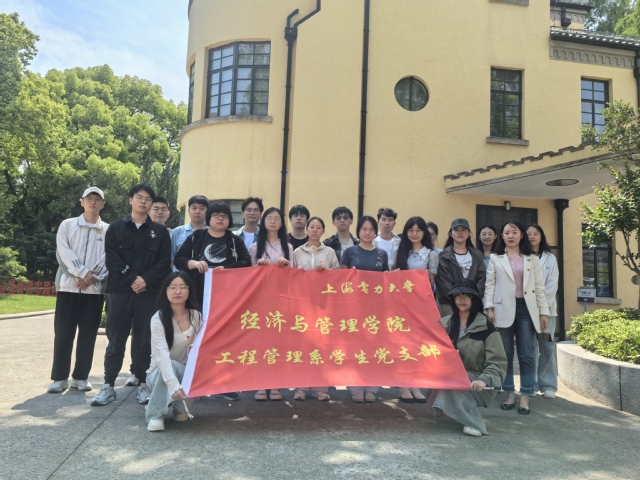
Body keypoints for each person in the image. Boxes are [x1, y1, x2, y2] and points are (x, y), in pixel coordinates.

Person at [91, 184, 171, 407]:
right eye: (139, 197)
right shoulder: (116, 229)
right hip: (120, 292)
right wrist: (133, 278)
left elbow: (164, 262)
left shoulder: (160, 232)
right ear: (131, 200)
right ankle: (108, 386)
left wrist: (145, 280)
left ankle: (143, 384)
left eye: (148, 199)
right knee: (115, 340)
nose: (143, 202)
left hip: (149, 293)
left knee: (144, 340)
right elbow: (112, 259)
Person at [483, 220, 550, 414]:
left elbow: (539, 288)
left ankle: (525, 396)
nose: (510, 236)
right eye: (507, 232)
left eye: (514, 232)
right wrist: (489, 307)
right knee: (505, 355)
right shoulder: (496, 258)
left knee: (527, 355)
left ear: (521, 235)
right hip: (502, 308)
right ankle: (509, 394)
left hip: (526, 309)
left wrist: (543, 312)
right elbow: (490, 284)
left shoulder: (532, 259)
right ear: (502, 236)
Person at [47, 187, 109, 394]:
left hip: (94, 290)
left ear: (103, 204)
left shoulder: (108, 230)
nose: (93, 202)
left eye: (97, 199)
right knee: (63, 334)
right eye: (89, 198)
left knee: (88, 335)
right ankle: (59, 378)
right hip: (68, 287)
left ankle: (80, 377)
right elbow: (63, 252)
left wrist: (92, 276)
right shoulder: (68, 225)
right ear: (82, 202)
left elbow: (109, 256)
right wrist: (82, 273)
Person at [427, 279, 507, 436]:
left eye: (466, 295)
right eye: (457, 295)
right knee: (446, 381)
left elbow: (497, 362)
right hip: (450, 377)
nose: (461, 299)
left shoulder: (486, 327)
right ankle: (459, 409)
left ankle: (474, 423)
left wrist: (484, 379)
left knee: (456, 382)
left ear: (474, 299)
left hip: (478, 381)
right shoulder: (444, 324)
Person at [145, 271, 202, 431]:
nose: (178, 291)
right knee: (171, 364)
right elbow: (162, 356)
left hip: (185, 374)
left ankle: (179, 408)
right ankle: (155, 415)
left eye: (183, 287)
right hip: (158, 375)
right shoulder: (158, 319)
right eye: (173, 287)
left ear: (189, 290)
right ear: (166, 291)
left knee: (181, 417)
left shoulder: (196, 316)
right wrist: (173, 385)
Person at [341, 215, 389, 403]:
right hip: (354, 308)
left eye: (371, 230)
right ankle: (355, 386)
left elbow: (386, 279)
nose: (367, 233)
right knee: (355, 347)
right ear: (358, 231)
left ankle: (372, 387)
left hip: (375, 308)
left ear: (375, 232)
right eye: (364, 229)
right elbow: (340, 280)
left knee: (374, 347)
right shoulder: (349, 252)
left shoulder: (382, 254)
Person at [291, 216, 339, 401]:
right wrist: (299, 274)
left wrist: (326, 273)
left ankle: (320, 388)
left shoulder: (329, 252)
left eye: (319, 227)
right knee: (302, 346)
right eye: (312, 227)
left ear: (323, 231)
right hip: (302, 304)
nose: (315, 230)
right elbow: (290, 277)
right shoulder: (297, 252)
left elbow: (337, 277)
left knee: (321, 346)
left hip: (323, 305)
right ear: (306, 230)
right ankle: (300, 388)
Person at [250, 207, 294, 401]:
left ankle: (276, 384)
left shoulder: (288, 247)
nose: (273, 221)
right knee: (261, 343)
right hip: (261, 301)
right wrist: (258, 267)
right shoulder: (254, 248)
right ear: (263, 221)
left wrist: (286, 266)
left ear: (282, 223)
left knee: (278, 343)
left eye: (277, 218)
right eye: (269, 218)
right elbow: (248, 276)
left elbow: (294, 276)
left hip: (281, 300)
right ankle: (260, 384)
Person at [394, 216, 439, 403]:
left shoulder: (431, 254)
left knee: (417, 346)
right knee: (402, 345)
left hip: (421, 306)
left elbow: (432, 283)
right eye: (410, 230)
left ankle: (415, 385)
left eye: (418, 230)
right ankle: (403, 386)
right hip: (401, 305)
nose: (414, 234)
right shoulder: (400, 251)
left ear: (424, 233)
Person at [174, 201, 251, 307]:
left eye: (224, 216)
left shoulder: (235, 241)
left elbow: (247, 261)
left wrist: (227, 268)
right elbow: (178, 259)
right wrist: (194, 263)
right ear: (208, 217)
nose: (220, 218)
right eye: (216, 215)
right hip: (197, 291)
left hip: (227, 293)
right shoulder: (195, 237)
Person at [527, 224, 559, 399]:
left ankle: (548, 384)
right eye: (529, 234)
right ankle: (530, 384)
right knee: (529, 347)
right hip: (527, 310)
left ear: (541, 236)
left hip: (547, 311)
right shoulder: (522, 257)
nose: (532, 236)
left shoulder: (550, 258)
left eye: (535, 233)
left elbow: (552, 285)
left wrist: (542, 310)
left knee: (546, 345)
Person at [435, 218, 486, 317]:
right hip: (449, 305)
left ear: (469, 233)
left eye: (463, 230)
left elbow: (482, 279)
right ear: (451, 233)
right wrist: (458, 298)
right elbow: (443, 283)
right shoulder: (443, 256)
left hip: (473, 303)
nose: (460, 233)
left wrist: (472, 298)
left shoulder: (477, 255)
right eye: (456, 230)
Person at [170, 195, 209, 262]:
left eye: (202, 208)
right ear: (188, 211)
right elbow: (171, 259)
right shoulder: (176, 232)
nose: (197, 211)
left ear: (208, 212)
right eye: (194, 208)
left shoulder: (212, 233)